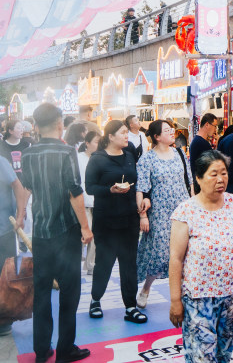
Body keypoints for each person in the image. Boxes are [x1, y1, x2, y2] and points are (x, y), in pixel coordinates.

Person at [169, 150, 233, 363]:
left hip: (231, 295)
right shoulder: (185, 212)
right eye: (214, 174)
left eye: (224, 173)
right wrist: (175, 300)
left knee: (224, 352)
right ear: (198, 178)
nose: (221, 179)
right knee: (201, 356)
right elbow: (175, 259)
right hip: (198, 298)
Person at [20, 103, 93, 363]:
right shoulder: (66, 151)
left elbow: (26, 186)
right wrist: (85, 227)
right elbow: (74, 191)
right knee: (69, 293)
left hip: (40, 232)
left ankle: (42, 351)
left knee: (41, 294)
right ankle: (65, 350)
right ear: (61, 123)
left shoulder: (27, 155)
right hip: (66, 232)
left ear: (37, 126)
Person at [85, 121, 147, 324]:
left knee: (129, 264)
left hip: (129, 219)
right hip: (106, 221)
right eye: (122, 132)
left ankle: (130, 307)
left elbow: (137, 183)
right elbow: (89, 188)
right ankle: (95, 300)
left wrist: (142, 200)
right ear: (110, 136)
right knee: (104, 262)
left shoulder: (129, 156)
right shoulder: (97, 159)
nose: (126, 135)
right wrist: (109, 190)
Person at [135, 120, 191, 308]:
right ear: (157, 137)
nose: (171, 132)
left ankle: (185, 293)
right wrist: (143, 216)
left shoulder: (180, 154)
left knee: (186, 251)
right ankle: (146, 289)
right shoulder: (147, 159)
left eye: (171, 129)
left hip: (182, 209)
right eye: (166, 130)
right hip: (160, 212)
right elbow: (141, 189)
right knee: (159, 254)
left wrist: (194, 205)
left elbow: (189, 181)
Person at [0, 156, 29, 336]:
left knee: (5, 276)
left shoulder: (1, 162)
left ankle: (3, 321)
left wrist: (20, 213)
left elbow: (18, 186)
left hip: (3, 229)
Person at [77, 131, 100, 275]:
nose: (98, 145)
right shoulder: (78, 158)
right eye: (96, 142)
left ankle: (91, 265)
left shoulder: (100, 158)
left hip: (97, 201)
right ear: (87, 143)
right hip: (82, 201)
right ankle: (76, 259)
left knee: (95, 234)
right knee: (86, 231)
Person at [189, 113, 217, 178]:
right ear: (207, 124)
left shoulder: (197, 140)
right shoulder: (202, 143)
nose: (215, 130)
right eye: (214, 126)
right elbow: (213, 162)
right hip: (202, 182)